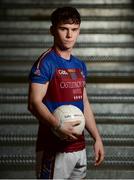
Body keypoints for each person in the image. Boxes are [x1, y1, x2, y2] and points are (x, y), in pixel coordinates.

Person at [28, 6, 104, 179]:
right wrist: (57, 125)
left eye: (74, 30)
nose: (69, 35)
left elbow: (83, 102)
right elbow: (33, 103)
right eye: (64, 29)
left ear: (79, 31)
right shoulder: (46, 63)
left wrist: (97, 138)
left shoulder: (79, 65)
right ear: (52, 30)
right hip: (53, 148)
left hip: (79, 147)